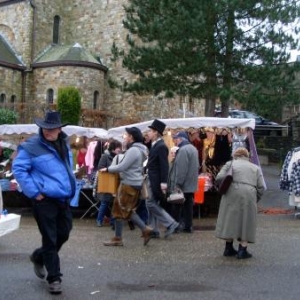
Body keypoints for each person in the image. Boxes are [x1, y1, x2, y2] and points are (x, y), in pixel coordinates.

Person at [12, 111, 76, 294]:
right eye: (44, 128)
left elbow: (66, 169)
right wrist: (34, 192)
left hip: (63, 198)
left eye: (51, 128)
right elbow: (19, 168)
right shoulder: (31, 146)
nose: (47, 132)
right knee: (50, 238)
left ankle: (38, 256)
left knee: (64, 233)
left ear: (59, 129)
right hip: (44, 200)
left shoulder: (64, 143)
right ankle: (54, 278)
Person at [101, 127, 153, 246]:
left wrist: (108, 169)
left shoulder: (134, 150)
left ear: (132, 137)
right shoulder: (139, 150)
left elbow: (122, 166)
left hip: (129, 184)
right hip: (132, 183)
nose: (125, 137)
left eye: (127, 135)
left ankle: (144, 229)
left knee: (124, 210)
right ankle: (118, 238)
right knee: (120, 210)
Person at [215, 147, 265, 259]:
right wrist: (255, 198)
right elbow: (261, 187)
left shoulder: (230, 164)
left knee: (229, 219)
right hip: (249, 193)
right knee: (246, 220)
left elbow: (219, 178)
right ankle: (242, 250)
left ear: (235, 155)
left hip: (231, 192)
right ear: (247, 156)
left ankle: (228, 248)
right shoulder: (255, 168)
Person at [146, 119, 179, 238]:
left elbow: (164, 166)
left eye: (150, 131)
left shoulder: (161, 146)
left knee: (150, 203)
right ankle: (153, 229)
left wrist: (163, 183)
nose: (148, 133)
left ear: (156, 132)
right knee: (152, 203)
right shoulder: (156, 145)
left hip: (155, 180)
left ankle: (170, 223)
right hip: (152, 178)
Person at [169, 131, 199, 233]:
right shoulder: (193, 149)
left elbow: (182, 169)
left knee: (176, 205)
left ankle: (175, 226)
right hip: (191, 183)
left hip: (183, 184)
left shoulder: (183, 150)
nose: (175, 141)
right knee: (188, 206)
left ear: (180, 139)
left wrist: (178, 183)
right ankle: (188, 226)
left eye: (176, 139)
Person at [94, 139, 122, 227]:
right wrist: (110, 170)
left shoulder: (118, 157)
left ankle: (113, 221)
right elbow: (100, 167)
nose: (120, 150)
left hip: (116, 183)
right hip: (107, 183)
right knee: (104, 203)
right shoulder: (105, 156)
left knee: (115, 203)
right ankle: (99, 220)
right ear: (113, 148)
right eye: (118, 148)